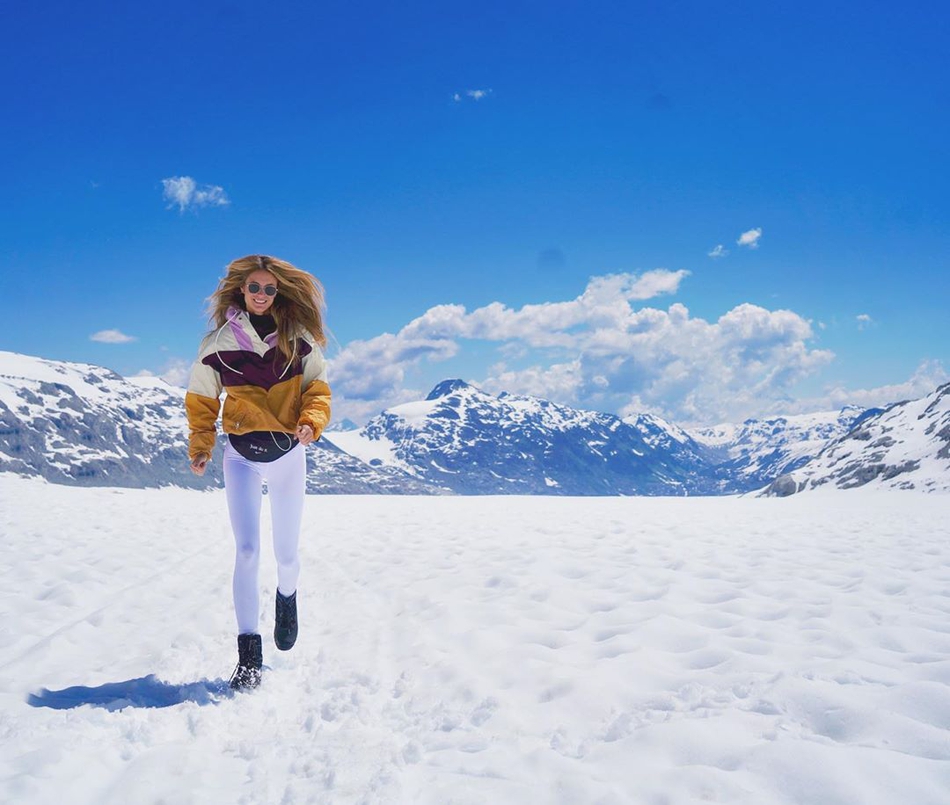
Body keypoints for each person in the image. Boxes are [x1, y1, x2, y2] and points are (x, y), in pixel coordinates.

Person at [185, 254, 331, 691]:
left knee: (286, 555)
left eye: (269, 288)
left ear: (278, 292)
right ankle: (249, 657)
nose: (262, 295)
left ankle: (287, 598)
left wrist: (311, 422)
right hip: (241, 457)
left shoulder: (299, 340)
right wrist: (201, 446)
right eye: (254, 288)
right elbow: (202, 400)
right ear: (241, 291)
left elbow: (318, 390)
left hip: (288, 456)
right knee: (247, 551)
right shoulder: (217, 344)